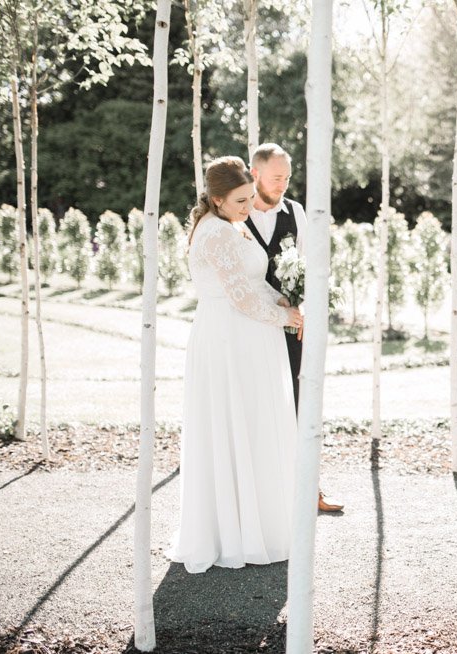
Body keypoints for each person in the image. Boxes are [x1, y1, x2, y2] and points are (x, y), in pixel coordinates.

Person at [169, 156, 304, 573]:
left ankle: (259, 523)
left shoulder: (232, 224)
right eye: (241, 200)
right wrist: (286, 318)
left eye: (250, 198)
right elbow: (239, 299)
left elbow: (254, 282)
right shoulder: (215, 233)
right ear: (216, 199)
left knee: (254, 424)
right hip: (229, 337)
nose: (249, 207)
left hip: (249, 335)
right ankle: (235, 532)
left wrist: (281, 299)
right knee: (234, 424)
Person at [246, 143, 343, 513]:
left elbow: (312, 262)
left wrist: (305, 304)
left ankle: (308, 489)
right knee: (256, 404)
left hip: (292, 326)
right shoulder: (235, 214)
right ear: (255, 175)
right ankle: (261, 494)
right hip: (251, 323)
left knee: (301, 404)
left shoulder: (296, 212)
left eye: (287, 177)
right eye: (277, 178)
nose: (284, 184)